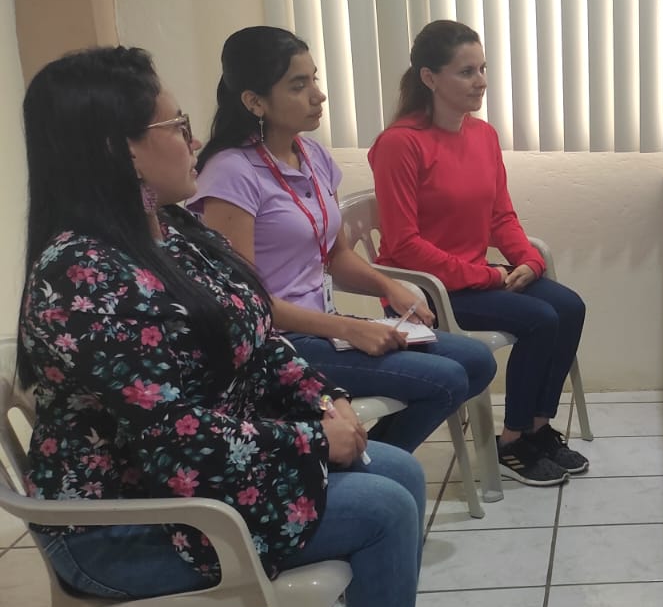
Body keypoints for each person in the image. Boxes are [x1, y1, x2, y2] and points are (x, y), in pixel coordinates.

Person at [17, 47, 480, 607]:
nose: (194, 139)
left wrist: (323, 400)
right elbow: (174, 438)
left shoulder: (171, 230)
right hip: (131, 520)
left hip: (193, 482)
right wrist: (313, 441)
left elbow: (257, 341)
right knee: (386, 507)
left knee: (397, 471)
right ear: (118, 148)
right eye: (176, 125)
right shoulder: (82, 273)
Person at [193, 26, 497, 453]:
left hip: (326, 328)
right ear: (254, 101)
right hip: (278, 344)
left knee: (476, 361)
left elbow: (335, 257)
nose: (318, 95)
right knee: (446, 378)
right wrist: (350, 328)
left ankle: (365, 460)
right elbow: (247, 303)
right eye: (298, 85)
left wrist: (390, 287)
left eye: (314, 79)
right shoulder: (230, 173)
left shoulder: (313, 155)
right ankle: (353, 464)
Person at [368, 20, 588, 488]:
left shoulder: (483, 136)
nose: (481, 81)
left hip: (474, 277)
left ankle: (536, 428)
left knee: (569, 307)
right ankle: (511, 442)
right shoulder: (399, 144)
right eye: (466, 72)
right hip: (424, 291)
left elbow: (499, 215)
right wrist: (486, 276)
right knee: (540, 319)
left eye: (483, 69)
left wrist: (528, 260)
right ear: (429, 78)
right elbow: (404, 245)